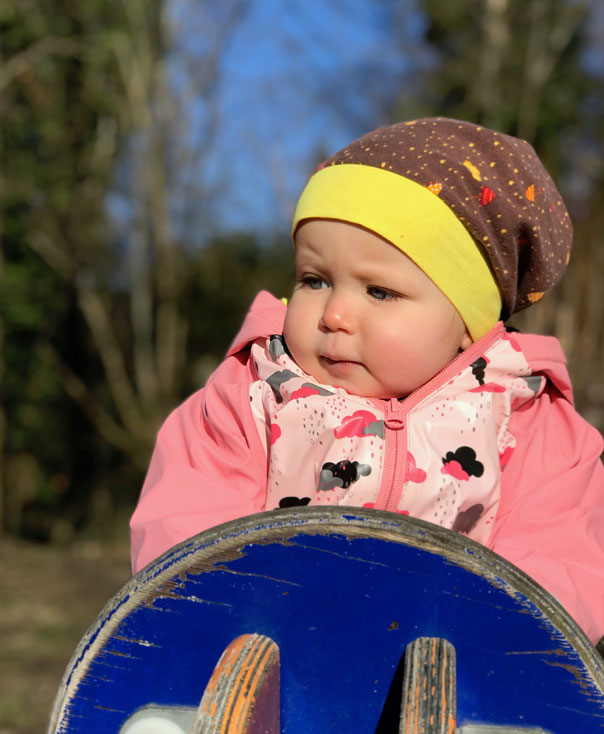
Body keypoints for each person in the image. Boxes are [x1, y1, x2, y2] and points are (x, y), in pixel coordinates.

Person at [130, 117, 604, 644]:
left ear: (468, 325)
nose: (334, 314)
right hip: (268, 648)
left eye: (379, 292)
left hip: (456, 671)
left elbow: (562, 555)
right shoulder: (253, 394)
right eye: (315, 280)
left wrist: (504, 637)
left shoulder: (527, 422)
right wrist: (218, 612)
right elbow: (190, 521)